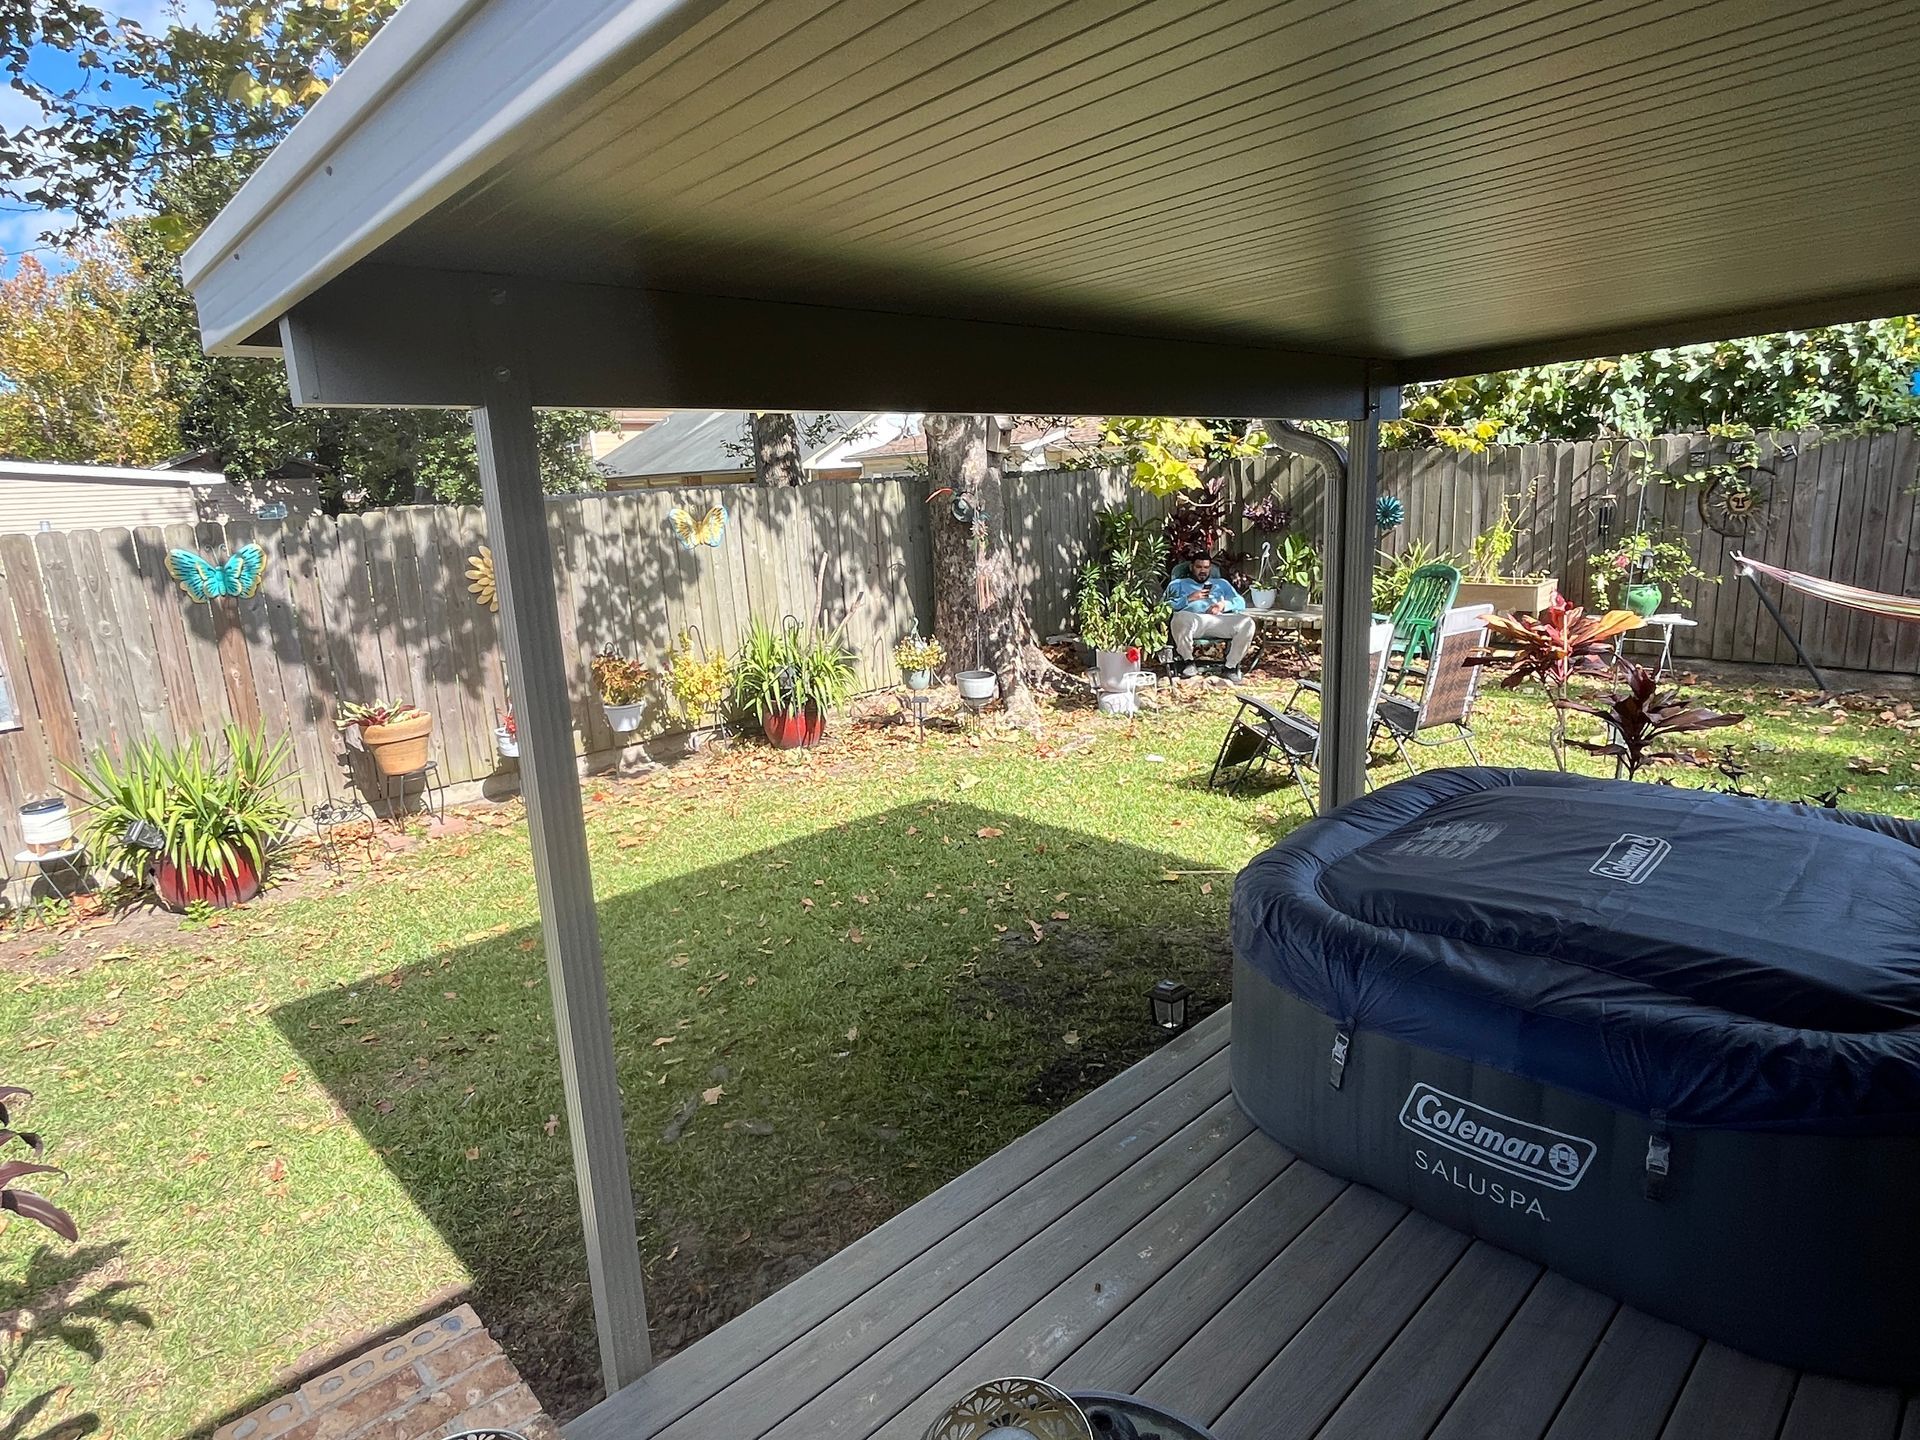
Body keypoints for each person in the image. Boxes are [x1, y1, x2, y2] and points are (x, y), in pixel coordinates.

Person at [1165, 555, 1255, 680]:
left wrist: (1222, 605)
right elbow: (1164, 606)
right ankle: (1188, 662)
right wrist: (1189, 598)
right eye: (1199, 567)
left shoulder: (1221, 583)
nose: (1203, 571)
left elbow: (1240, 602)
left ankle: (1230, 667)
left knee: (1247, 623)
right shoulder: (1178, 584)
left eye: (1206, 567)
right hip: (1191, 621)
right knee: (1179, 618)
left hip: (1217, 621)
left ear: (1210, 568)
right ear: (1191, 567)